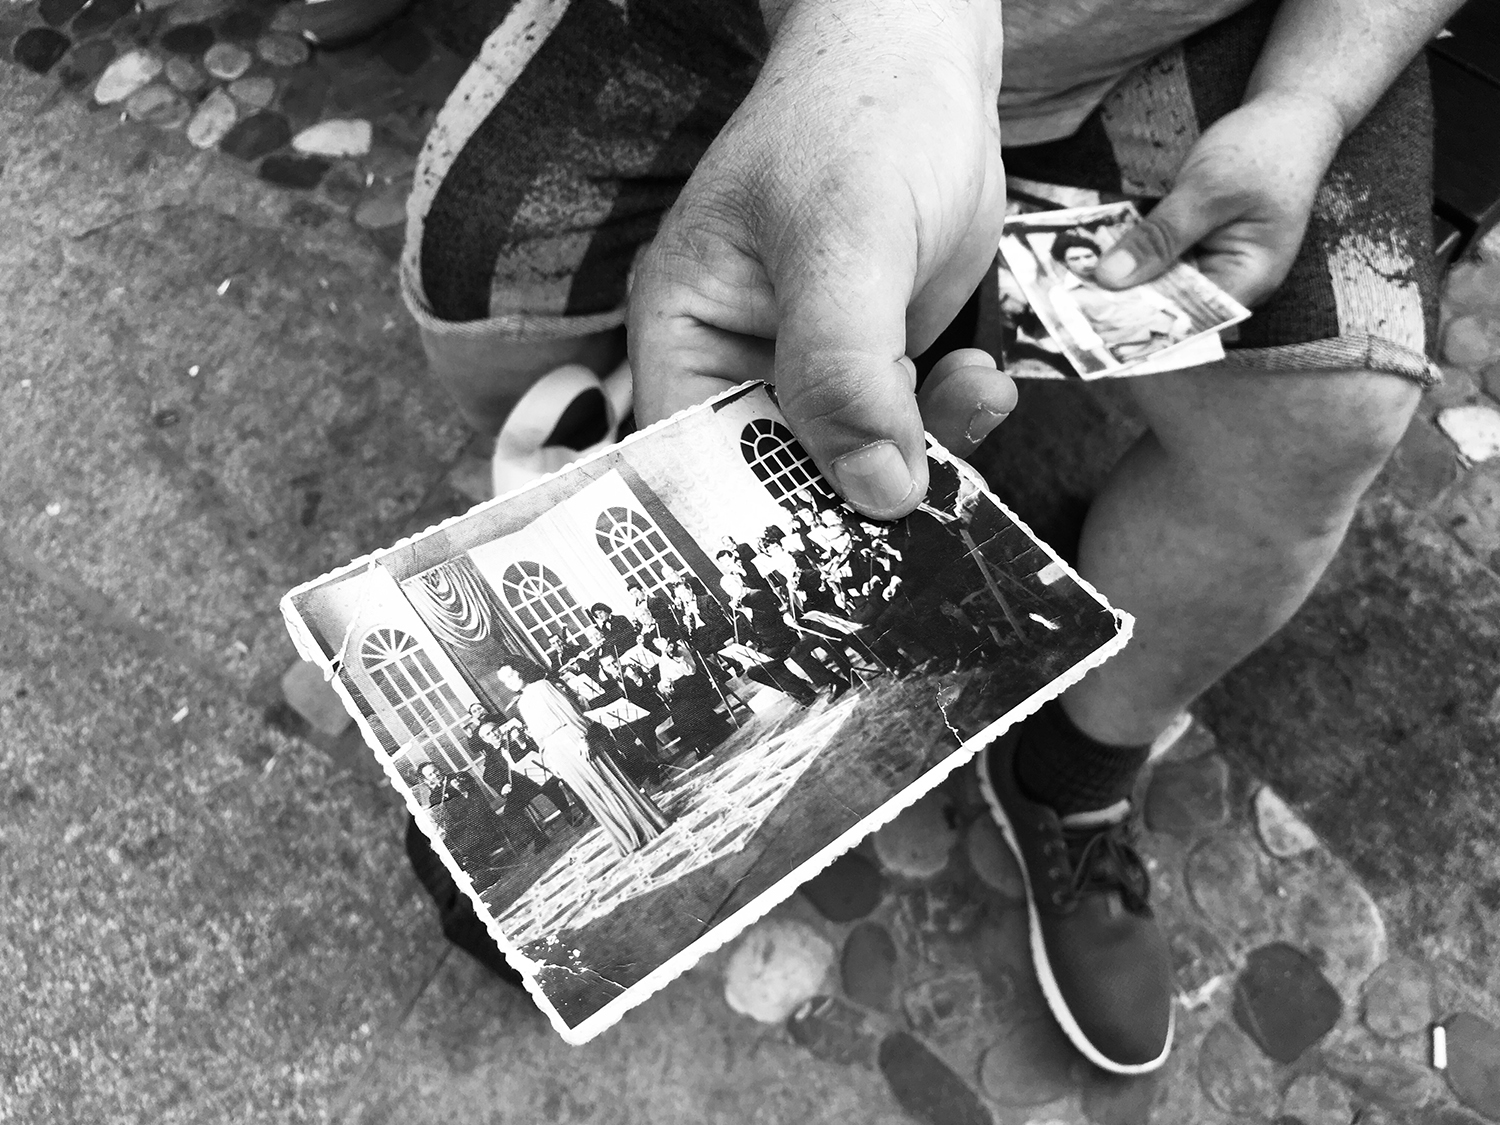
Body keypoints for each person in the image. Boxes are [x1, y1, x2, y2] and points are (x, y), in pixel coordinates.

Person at [401, 0, 1454, 1074]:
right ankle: (649, 441)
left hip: (1208, 38)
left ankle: (1074, 765)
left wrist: (1308, 100)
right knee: (474, 266)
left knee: (1332, 418)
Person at [497, 660, 670, 856]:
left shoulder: (543, 686)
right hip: (556, 752)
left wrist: (583, 738)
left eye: (510, 675)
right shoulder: (521, 702)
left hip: (573, 740)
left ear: (521, 670)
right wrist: (550, 761)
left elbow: (572, 713)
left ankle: (643, 825)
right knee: (590, 794)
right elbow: (539, 739)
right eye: (504, 681)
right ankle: (626, 838)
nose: (508, 682)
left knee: (606, 785)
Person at [1047, 231, 1194, 363]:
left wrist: (1181, 317)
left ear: (1097, 256)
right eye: (1075, 259)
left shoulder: (1115, 273)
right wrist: (1111, 364)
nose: (1085, 263)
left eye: (1088, 256)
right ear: (1064, 263)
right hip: (1133, 351)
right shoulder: (1061, 293)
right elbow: (1083, 334)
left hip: (1172, 333)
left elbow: (1154, 300)